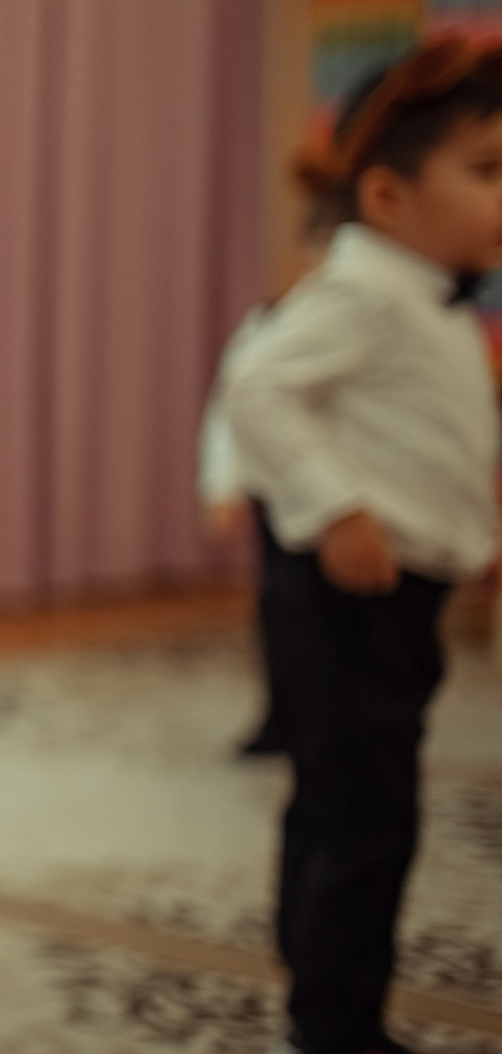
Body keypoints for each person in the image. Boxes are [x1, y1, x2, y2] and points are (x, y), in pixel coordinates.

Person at [225, 36, 502, 1054]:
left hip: (398, 588)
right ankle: (341, 1042)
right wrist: (333, 507)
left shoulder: (420, 295)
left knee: (345, 798)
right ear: (385, 193)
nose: (500, 197)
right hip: (350, 591)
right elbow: (255, 388)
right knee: (365, 813)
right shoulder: (366, 292)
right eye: (483, 171)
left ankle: (320, 1013)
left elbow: (422, 437)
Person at [200, 222, 332, 761]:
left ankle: (328, 721)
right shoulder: (272, 321)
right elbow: (231, 406)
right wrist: (220, 483)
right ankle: (284, 716)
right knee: (285, 611)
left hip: (351, 503)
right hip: (279, 494)